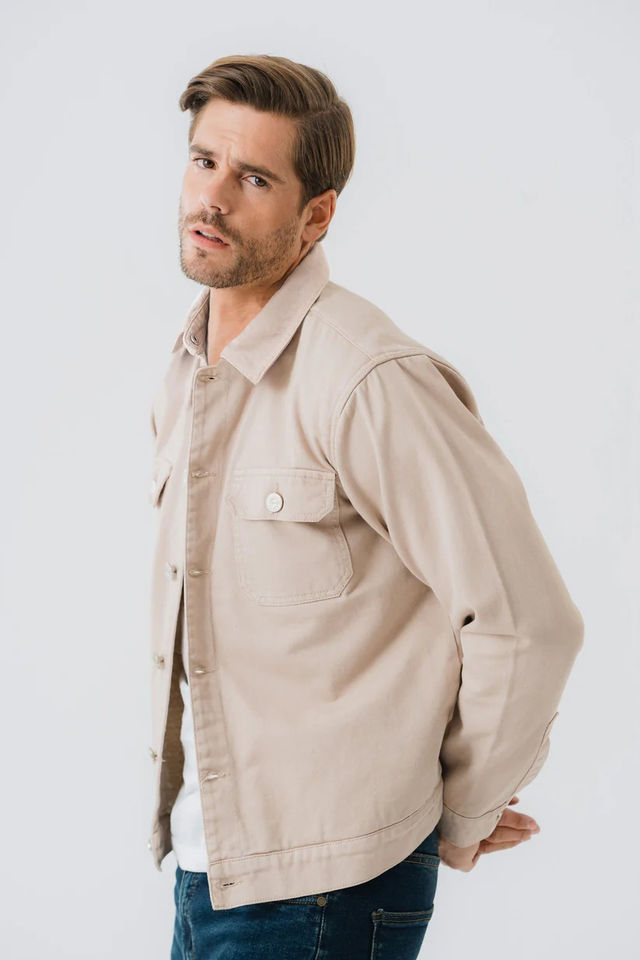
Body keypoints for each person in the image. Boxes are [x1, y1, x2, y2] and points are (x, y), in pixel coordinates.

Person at [147, 54, 585, 959]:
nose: (212, 199)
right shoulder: (188, 373)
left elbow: (526, 620)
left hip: (325, 893)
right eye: (204, 161)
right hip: (211, 866)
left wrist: (459, 812)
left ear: (317, 215)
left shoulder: (365, 378)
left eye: (254, 178)